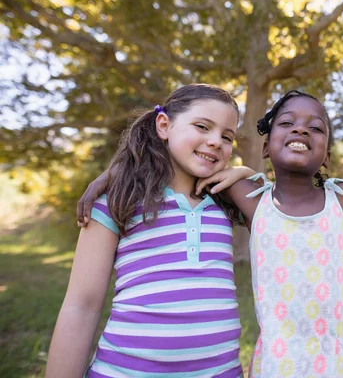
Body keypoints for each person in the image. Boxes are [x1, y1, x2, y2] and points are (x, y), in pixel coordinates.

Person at [76, 90, 343, 377]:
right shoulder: (248, 195)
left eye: (316, 126)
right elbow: (175, 169)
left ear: (326, 151)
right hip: (279, 366)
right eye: (287, 123)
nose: (302, 128)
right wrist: (116, 172)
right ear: (266, 146)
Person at [46, 84, 254, 378]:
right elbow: (82, 306)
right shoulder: (116, 202)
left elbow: (289, 209)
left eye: (227, 136)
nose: (216, 141)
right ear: (164, 125)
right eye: (202, 126)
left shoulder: (228, 204)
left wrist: (244, 174)